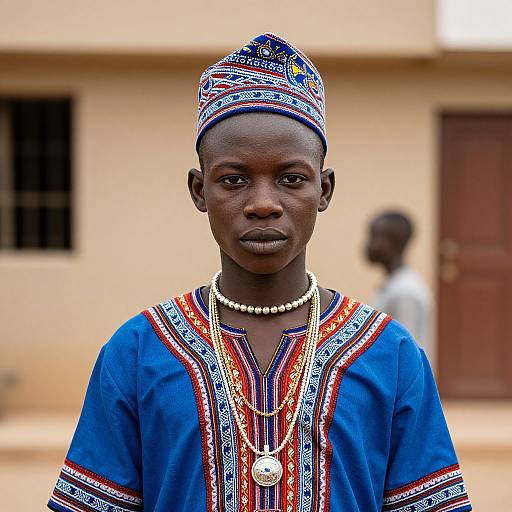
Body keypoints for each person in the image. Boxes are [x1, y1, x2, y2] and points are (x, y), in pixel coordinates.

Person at [48, 33, 471, 512]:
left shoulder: (389, 356)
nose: (264, 204)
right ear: (198, 190)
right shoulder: (139, 351)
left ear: (325, 190)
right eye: (233, 180)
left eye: (292, 179)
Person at [366, 212, 434, 362]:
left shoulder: (405, 291)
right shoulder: (393, 284)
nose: (367, 244)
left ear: (392, 242)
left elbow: (406, 352)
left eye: (373, 237)